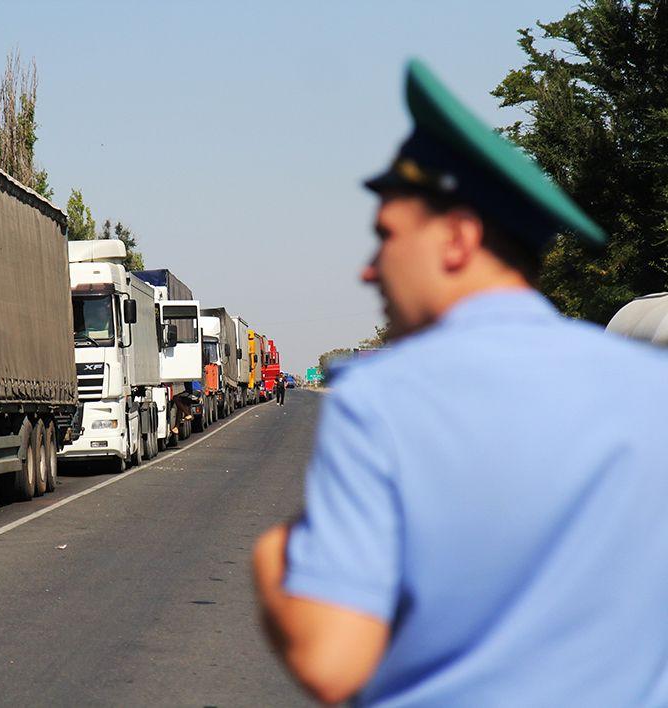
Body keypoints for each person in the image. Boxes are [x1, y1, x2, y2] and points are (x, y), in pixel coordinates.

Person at [253, 59, 668, 706]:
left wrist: (272, 560)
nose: (369, 271)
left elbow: (331, 660)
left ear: (457, 239)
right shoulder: (651, 388)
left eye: (386, 236)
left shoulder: (383, 400)